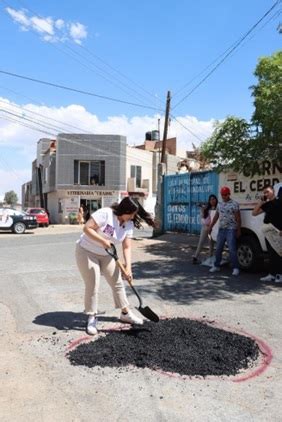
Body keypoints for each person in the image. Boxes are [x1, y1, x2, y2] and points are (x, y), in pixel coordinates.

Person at [75, 196, 156, 335]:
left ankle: (125, 313)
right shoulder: (106, 214)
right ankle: (92, 316)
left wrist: (128, 268)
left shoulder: (128, 223)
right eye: (131, 214)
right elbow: (87, 228)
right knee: (93, 283)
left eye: (134, 215)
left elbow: (126, 247)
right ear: (124, 210)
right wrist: (102, 241)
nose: (132, 217)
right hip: (87, 251)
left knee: (117, 282)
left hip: (107, 254)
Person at [208, 186, 241, 276]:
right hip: (221, 229)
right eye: (222, 195)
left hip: (231, 229)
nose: (224, 196)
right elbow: (216, 216)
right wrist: (211, 226)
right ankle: (216, 266)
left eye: (226, 194)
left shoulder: (235, 204)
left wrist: (238, 230)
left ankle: (235, 268)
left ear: (229, 194)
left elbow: (238, 217)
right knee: (218, 248)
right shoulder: (220, 204)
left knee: (232, 249)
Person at [252, 185, 282, 283]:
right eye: (264, 192)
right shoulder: (267, 204)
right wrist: (261, 201)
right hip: (268, 231)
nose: (266, 194)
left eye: (267, 191)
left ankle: (280, 275)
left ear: (273, 191)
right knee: (271, 254)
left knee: (279, 253)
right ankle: (272, 274)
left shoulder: (280, 201)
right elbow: (254, 212)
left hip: (278, 231)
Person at [192, 194, 218, 264]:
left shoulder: (218, 208)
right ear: (209, 201)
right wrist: (202, 210)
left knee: (211, 243)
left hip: (213, 227)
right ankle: (195, 256)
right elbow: (202, 218)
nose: (212, 201)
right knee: (201, 242)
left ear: (216, 200)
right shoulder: (206, 208)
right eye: (211, 199)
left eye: (214, 199)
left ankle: (210, 257)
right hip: (206, 227)